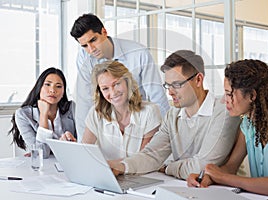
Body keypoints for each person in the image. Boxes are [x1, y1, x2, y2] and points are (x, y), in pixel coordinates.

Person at [108, 50, 241, 180]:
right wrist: (121, 166)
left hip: (219, 190)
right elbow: (152, 155)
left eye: (177, 85)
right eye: (168, 85)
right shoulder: (173, 115)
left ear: (198, 80)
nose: (170, 92)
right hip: (185, 187)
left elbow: (203, 166)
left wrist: (167, 168)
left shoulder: (224, 112)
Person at [187, 59, 268, 197]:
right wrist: (207, 178)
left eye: (229, 94)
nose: (224, 100)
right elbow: (230, 167)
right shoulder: (248, 125)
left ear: (252, 95)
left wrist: (222, 177)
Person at [70, 13, 169, 141]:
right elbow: (84, 101)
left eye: (93, 40)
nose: (91, 49)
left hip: (139, 123)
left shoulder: (138, 53)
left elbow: (157, 96)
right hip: (108, 126)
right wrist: (83, 146)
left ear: (104, 32)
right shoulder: (84, 58)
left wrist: (163, 139)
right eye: (84, 46)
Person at [66, 60, 161, 160]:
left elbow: (144, 159)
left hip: (140, 175)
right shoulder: (95, 113)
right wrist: (71, 147)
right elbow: (85, 154)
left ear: (127, 82)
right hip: (106, 174)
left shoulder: (149, 112)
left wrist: (114, 166)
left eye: (116, 84)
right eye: (105, 88)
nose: (113, 92)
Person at [9, 68, 77, 158]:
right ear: (39, 87)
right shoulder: (23, 115)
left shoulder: (72, 108)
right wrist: (43, 115)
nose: (52, 90)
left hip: (69, 161)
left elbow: (83, 145)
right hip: (43, 167)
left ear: (63, 92)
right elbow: (42, 154)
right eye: (48, 84)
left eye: (58, 86)